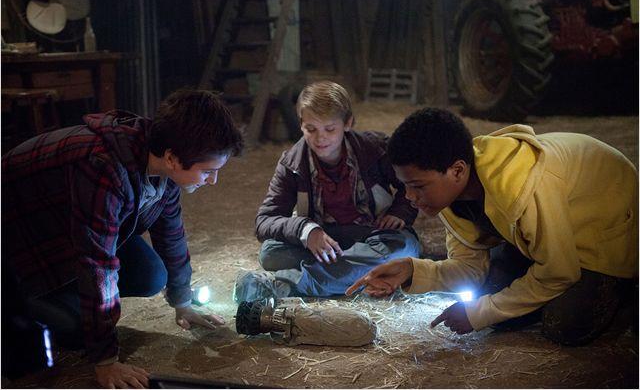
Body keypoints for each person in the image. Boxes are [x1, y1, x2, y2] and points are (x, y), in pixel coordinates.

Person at [1, 89, 243, 388]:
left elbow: (171, 234)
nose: (213, 181)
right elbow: (97, 264)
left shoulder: (161, 160)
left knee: (151, 275)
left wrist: (182, 301)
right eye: (208, 172)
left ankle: (65, 298)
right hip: (19, 247)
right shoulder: (102, 165)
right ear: (172, 158)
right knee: (77, 329)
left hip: (65, 229)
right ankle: (24, 303)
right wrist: (105, 360)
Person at [347, 108, 638, 345]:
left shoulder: (522, 187)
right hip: (548, 236)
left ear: (457, 170)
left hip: (608, 229)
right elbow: (469, 268)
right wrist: (412, 270)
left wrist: (480, 314)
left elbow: (559, 271)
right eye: (405, 186)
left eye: (418, 186)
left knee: (565, 324)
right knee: (489, 289)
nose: (410, 197)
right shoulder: (451, 195)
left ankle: (623, 288)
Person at [233, 81, 420, 303]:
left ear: (348, 123)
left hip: (373, 233)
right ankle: (359, 271)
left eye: (330, 129)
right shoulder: (291, 163)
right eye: (311, 129)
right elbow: (265, 221)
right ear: (301, 124)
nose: (320, 138)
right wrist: (306, 230)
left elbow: (411, 184)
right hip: (324, 239)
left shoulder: (375, 148)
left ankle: (284, 284)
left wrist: (400, 211)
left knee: (404, 248)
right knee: (271, 253)